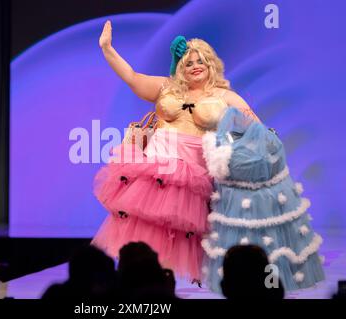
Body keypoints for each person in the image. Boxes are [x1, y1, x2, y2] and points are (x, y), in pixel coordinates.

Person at [91, 21, 259, 284]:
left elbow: (254, 125)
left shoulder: (223, 96)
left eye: (201, 60)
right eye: (189, 62)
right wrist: (107, 49)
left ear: (211, 64)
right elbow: (132, 77)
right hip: (157, 167)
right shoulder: (167, 87)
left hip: (192, 174)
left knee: (181, 235)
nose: (195, 65)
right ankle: (142, 283)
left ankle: (159, 286)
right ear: (181, 66)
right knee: (145, 231)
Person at [201, 107, 325, 291]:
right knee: (272, 248)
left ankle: (256, 283)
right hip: (264, 199)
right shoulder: (243, 145)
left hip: (250, 200)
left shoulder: (255, 144)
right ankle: (266, 284)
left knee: (268, 249)